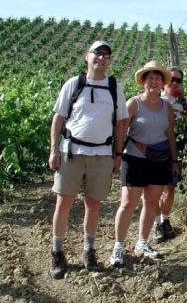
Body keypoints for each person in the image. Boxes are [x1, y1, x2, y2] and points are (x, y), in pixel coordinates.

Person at [48, 40, 129, 279]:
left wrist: (117, 154)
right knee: (63, 204)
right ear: (87, 56)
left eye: (106, 55)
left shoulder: (115, 87)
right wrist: (54, 150)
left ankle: (88, 251)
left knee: (93, 205)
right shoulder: (74, 84)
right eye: (98, 53)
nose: (102, 58)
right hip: (72, 153)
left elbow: (122, 122)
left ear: (109, 61)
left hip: (102, 156)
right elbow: (58, 119)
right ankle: (57, 251)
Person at [110, 60, 180, 267]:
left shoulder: (166, 107)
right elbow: (121, 130)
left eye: (158, 78)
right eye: (150, 78)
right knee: (127, 203)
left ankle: (142, 242)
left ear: (162, 83)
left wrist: (174, 160)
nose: (154, 81)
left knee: (151, 203)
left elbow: (170, 135)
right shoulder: (134, 103)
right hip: (134, 160)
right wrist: (116, 154)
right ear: (143, 81)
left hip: (159, 161)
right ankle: (118, 247)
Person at [153, 67, 187, 243]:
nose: (174, 83)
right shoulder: (156, 99)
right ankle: (157, 224)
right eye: (171, 79)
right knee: (154, 189)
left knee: (170, 188)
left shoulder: (183, 102)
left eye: (178, 80)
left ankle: (165, 220)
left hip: (176, 149)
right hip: (156, 148)